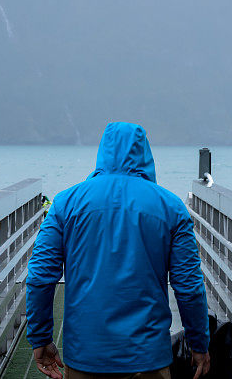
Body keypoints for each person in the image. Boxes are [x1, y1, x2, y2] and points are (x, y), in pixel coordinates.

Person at [26, 122, 211, 379]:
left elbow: (39, 277)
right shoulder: (170, 207)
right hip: (148, 357)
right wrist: (199, 343)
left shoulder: (65, 203)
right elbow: (189, 286)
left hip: (86, 355)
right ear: (146, 154)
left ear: (103, 152)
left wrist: (40, 337)